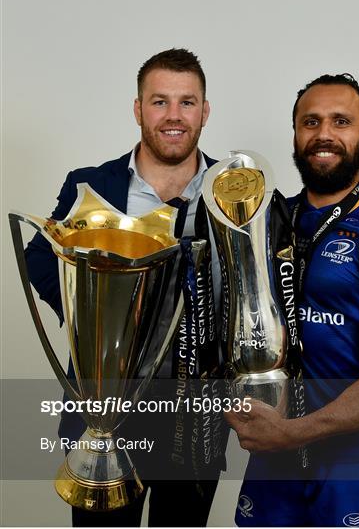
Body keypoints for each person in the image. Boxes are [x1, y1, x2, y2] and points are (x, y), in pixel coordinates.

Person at [225, 73, 359, 527]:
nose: (324, 134)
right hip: (270, 465)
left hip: (351, 468)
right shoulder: (265, 223)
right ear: (296, 134)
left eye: (342, 121)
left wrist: (293, 433)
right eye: (310, 122)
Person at [25, 48, 221, 527]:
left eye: (187, 102)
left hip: (192, 416)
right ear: (138, 109)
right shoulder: (91, 185)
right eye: (159, 102)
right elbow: (39, 257)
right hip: (103, 409)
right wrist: (94, 313)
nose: (173, 116)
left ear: (204, 111)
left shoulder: (230, 191)